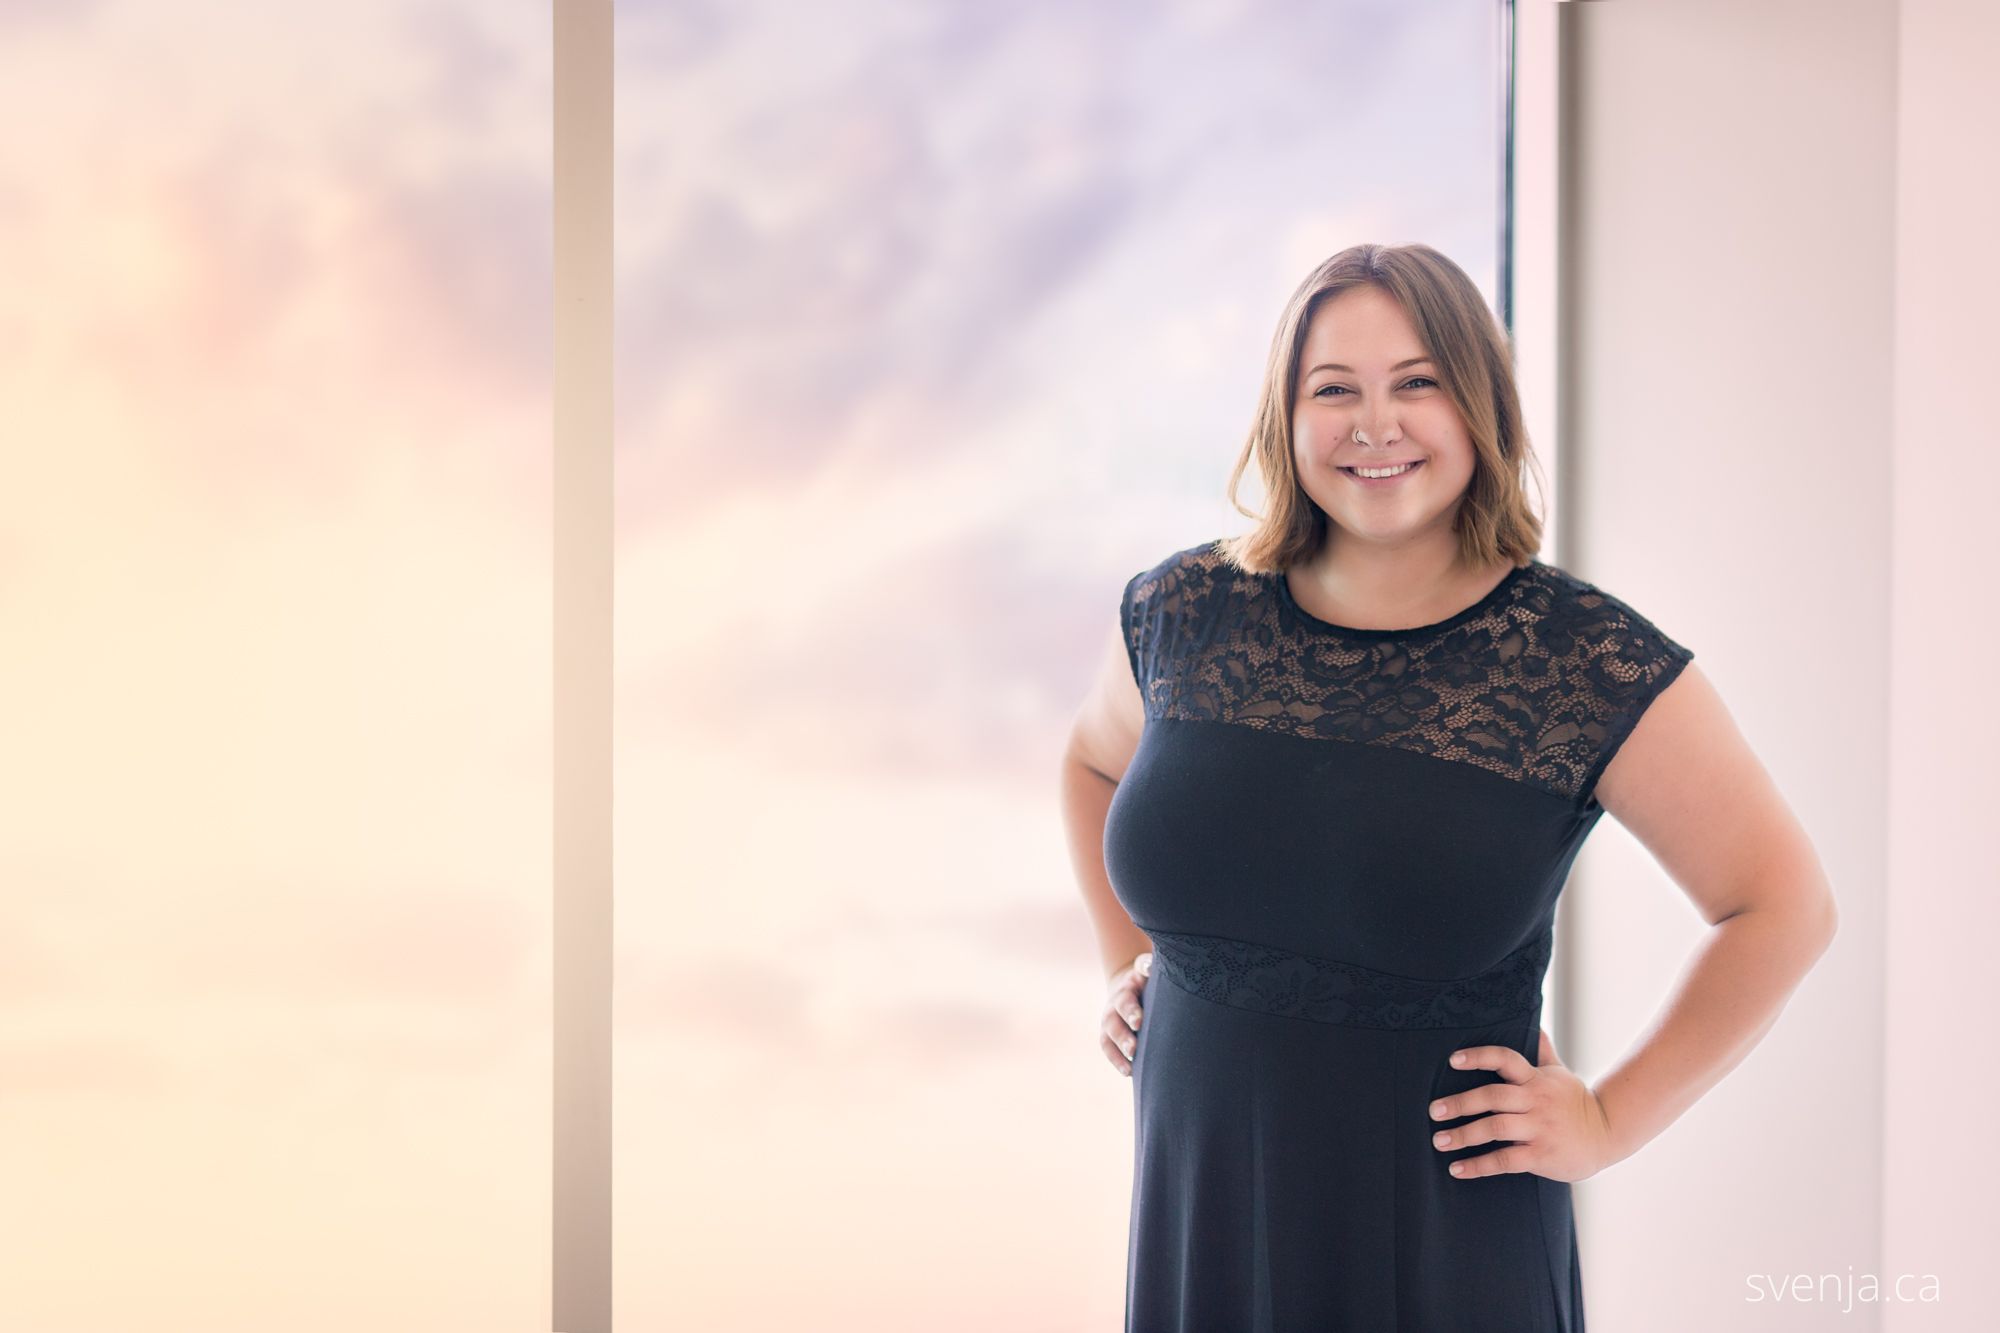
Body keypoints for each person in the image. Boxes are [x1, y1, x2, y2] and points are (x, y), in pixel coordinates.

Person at [1058, 242, 1838, 1331]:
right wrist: (1123, 962)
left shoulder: (1578, 658)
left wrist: (1609, 1117)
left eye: (1415, 383)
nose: (1373, 424)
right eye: (1332, 390)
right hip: (1203, 1212)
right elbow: (1092, 760)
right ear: (1285, 418)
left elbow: (1782, 904)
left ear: (1478, 405)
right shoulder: (1184, 611)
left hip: (1436, 1240)